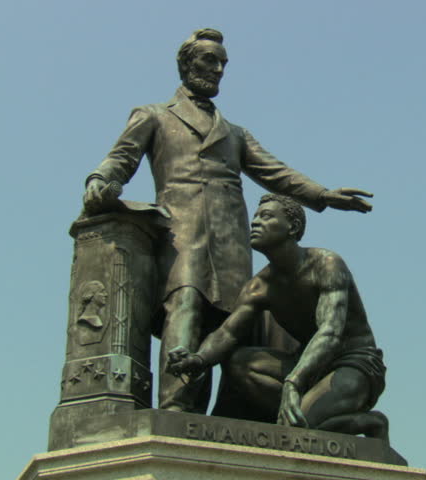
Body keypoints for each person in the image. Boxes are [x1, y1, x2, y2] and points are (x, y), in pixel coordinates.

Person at [82, 28, 374, 414]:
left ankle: (228, 415)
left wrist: (322, 195)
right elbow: (122, 156)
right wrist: (100, 180)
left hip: (233, 242)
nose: (218, 69)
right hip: (181, 233)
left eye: (223, 63)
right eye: (209, 60)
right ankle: (175, 408)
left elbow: (275, 172)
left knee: (227, 324)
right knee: (185, 305)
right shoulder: (153, 116)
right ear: (186, 64)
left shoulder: (235, 134)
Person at [167, 194, 389, 439]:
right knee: (238, 362)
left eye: (266, 216)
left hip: (352, 364)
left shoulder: (326, 264)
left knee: (303, 427)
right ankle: (299, 411)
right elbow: (227, 334)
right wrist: (198, 359)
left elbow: (330, 332)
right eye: (255, 217)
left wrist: (294, 382)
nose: (255, 222)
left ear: (292, 227)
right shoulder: (259, 286)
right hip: (303, 364)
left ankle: (370, 423)